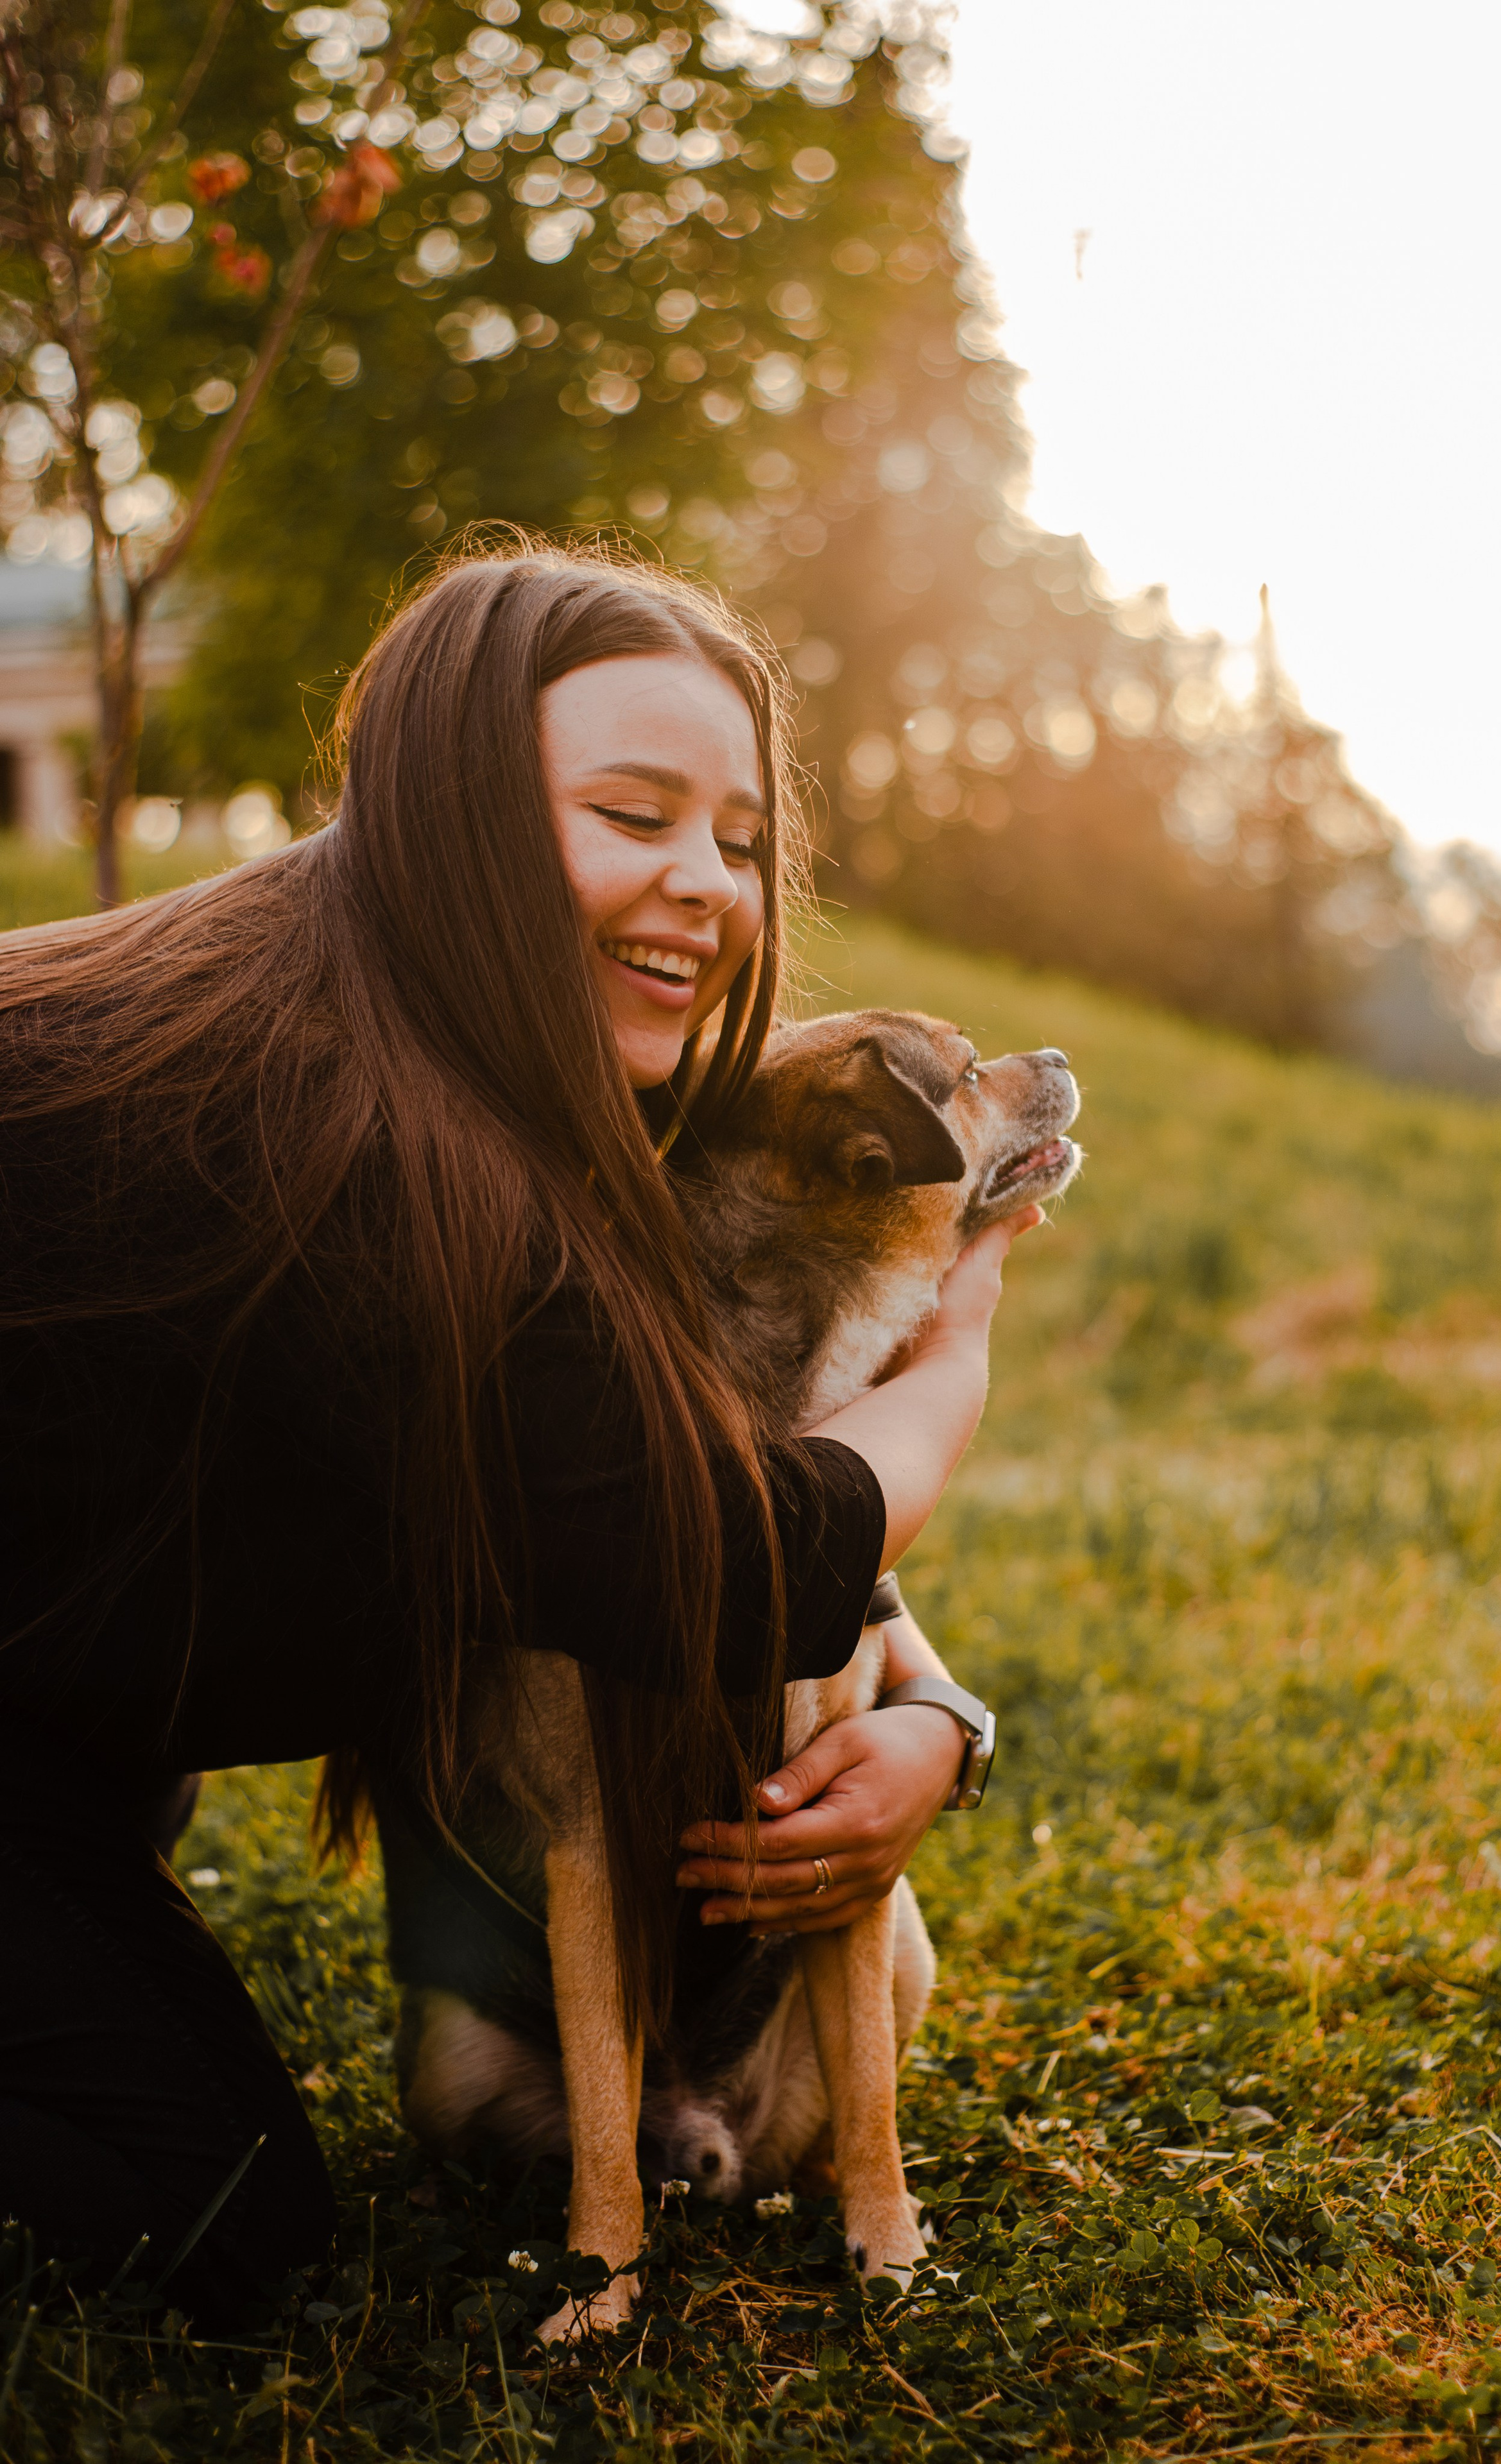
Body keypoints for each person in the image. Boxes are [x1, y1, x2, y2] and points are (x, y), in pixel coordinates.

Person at [0, 543, 1039, 2327]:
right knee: (218, 2217)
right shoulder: (361, 1144)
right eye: (632, 813)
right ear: (457, 817)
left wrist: (934, 1711)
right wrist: (958, 1341)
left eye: (732, 835)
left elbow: (676, 1445)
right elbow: (715, 1564)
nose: (700, 884)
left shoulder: (448, 1046)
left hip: (56, 1682)